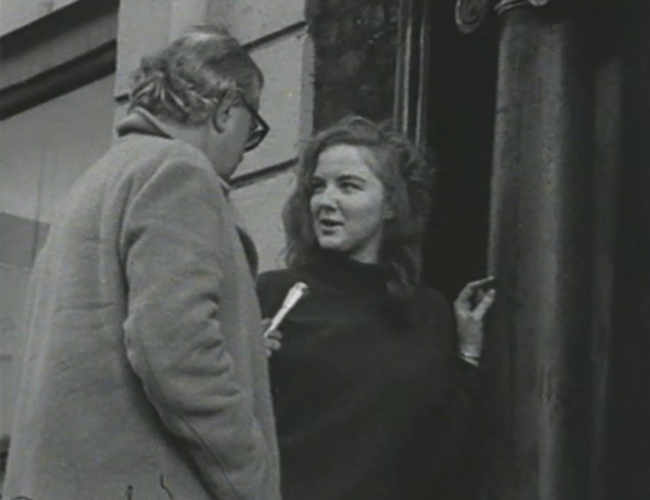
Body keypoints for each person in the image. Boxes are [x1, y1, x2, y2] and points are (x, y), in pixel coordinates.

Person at [2, 26, 280, 500]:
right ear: (226, 108)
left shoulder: (94, 184)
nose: (243, 149)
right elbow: (176, 350)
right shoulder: (180, 171)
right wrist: (251, 478)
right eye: (250, 130)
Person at [257, 115, 495, 500]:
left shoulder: (427, 312)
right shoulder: (274, 294)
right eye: (318, 186)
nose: (325, 201)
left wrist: (467, 354)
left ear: (390, 206)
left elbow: (446, 454)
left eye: (348, 186)